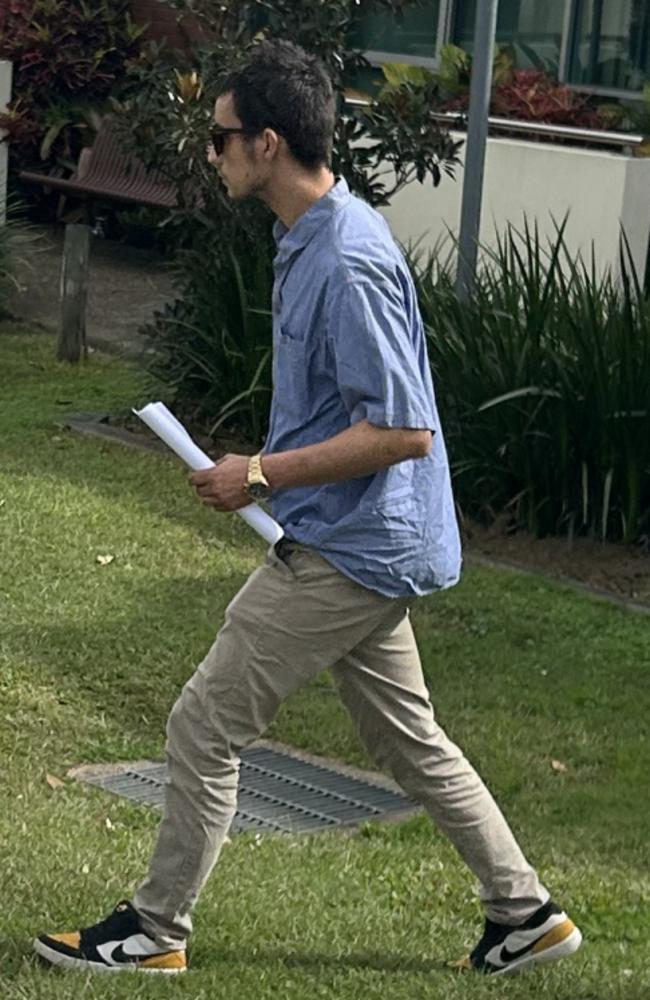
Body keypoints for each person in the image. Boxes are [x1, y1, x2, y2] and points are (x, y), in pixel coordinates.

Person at [34, 39, 581, 978]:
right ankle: (525, 912)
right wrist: (263, 471)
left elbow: (405, 431)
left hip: (353, 549)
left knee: (203, 727)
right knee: (409, 741)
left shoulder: (349, 259)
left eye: (220, 139)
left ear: (268, 143)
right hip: (360, 537)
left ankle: (155, 931)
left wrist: (261, 474)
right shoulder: (309, 238)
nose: (211, 153)